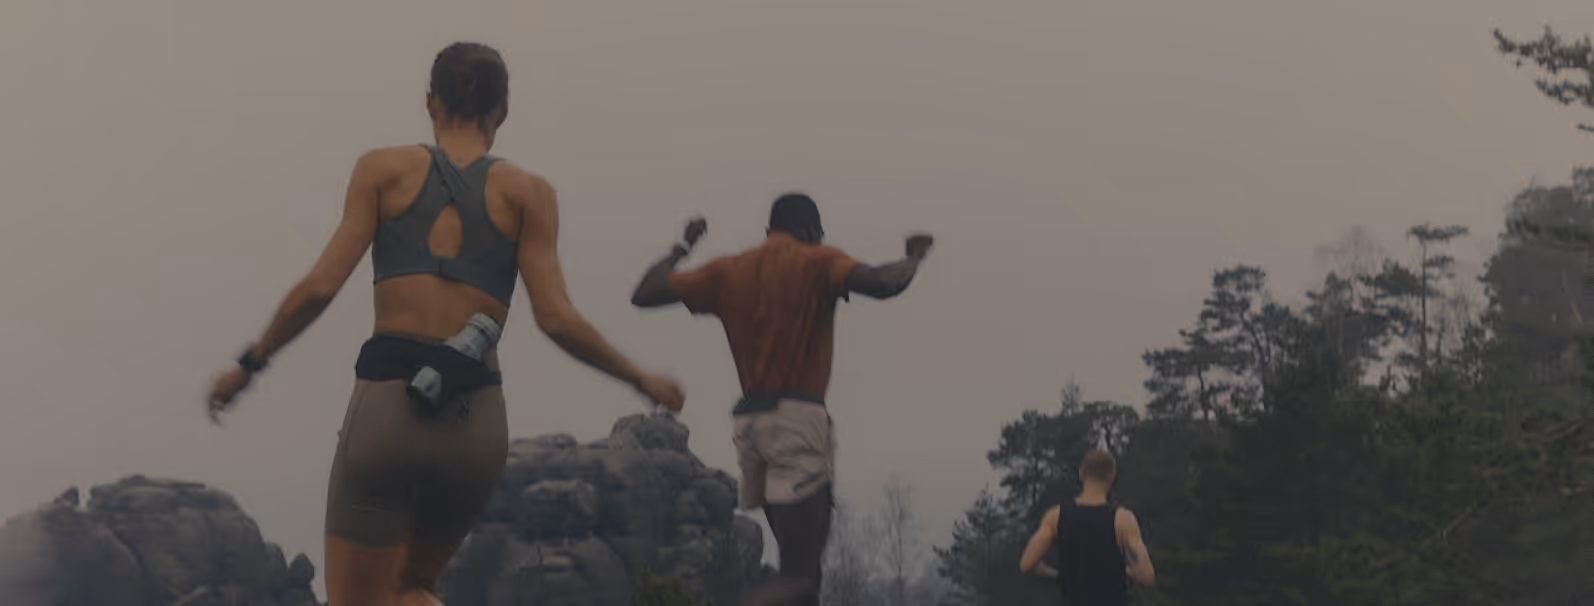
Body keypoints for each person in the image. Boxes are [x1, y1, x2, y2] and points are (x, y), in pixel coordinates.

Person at [204, 41, 684, 606]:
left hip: (388, 407)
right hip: (474, 419)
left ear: (430, 102)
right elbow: (557, 319)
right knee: (410, 588)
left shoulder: (381, 171)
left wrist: (250, 364)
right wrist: (639, 377)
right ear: (502, 110)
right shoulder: (530, 195)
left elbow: (319, 288)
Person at [629, 193, 934, 605]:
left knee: (804, 578)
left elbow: (646, 292)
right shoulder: (816, 260)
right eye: (819, 235)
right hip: (796, 421)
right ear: (809, 230)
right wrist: (914, 257)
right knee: (801, 577)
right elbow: (882, 283)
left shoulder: (728, 270)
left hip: (751, 426)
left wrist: (683, 247)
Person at [1020, 449, 1155, 605]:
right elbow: (1145, 575)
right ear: (1111, 477)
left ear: (1081, 474)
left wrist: (1058, 574)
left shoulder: (1056, 516)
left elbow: (1027, 564)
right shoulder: (1123, 520)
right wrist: (1120, 571)